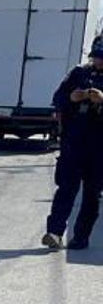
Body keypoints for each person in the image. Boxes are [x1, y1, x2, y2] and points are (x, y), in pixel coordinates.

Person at [43, 37, 103, 251]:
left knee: (91, 195)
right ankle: (55, 232)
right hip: (74, 143)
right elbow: (58, 98)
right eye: (97, 57)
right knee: (66, 189)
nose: (99, 62)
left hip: (99, 149)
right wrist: (72, 98)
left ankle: (80, 237)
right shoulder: (79, 73)